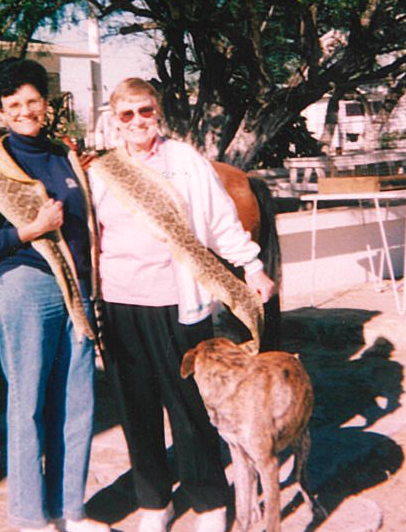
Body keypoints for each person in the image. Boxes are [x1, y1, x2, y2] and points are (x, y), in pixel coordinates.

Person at [87, 78, 275, 532]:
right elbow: (91, 237)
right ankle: (155, 503)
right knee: (137, 409)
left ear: (159, 113)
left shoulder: (185, 161)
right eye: (127, 114)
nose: (137, 122)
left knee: (189, 407)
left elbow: (219, 222)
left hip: (178, 303)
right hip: (119, 303)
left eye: (145, 111)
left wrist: (253, 267)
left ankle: (209, 502)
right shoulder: (101, 172)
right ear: (115, 120)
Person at [0, 58, 109, 532]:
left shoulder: (64, 158)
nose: (25, 111)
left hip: (77, 294)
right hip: (25, 290)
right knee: (27, 406)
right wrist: (31, 230)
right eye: (13, 105)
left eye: (32, 101)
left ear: (47, 105)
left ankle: (72, 512)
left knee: (77, 403)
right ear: (2, 114)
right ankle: (30, 518)